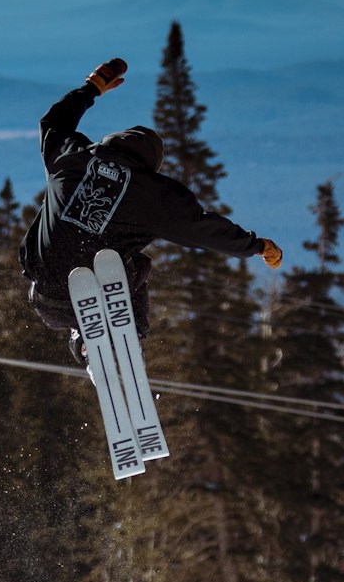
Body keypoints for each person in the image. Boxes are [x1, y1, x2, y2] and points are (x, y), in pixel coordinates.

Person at [19, 57, 283, 363]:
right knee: (137, 266)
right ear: (150, 166)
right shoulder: (155, 194)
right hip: (101, 295)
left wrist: (90, 89)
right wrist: (255, 246)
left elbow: (53, 123)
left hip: (44, 296)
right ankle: (128, 341)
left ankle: (85, 339)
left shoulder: (72, 158)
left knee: (94, 258)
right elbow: (204, 229)